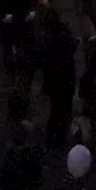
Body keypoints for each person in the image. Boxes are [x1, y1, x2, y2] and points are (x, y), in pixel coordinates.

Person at [38, 9, 77, 150]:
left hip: (56, 81)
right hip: (66, 80)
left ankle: (54, 139)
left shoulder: (49, 40)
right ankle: (60, 137)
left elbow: (45, 63)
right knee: (64, 111)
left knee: (56, 111)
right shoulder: (64, 36)